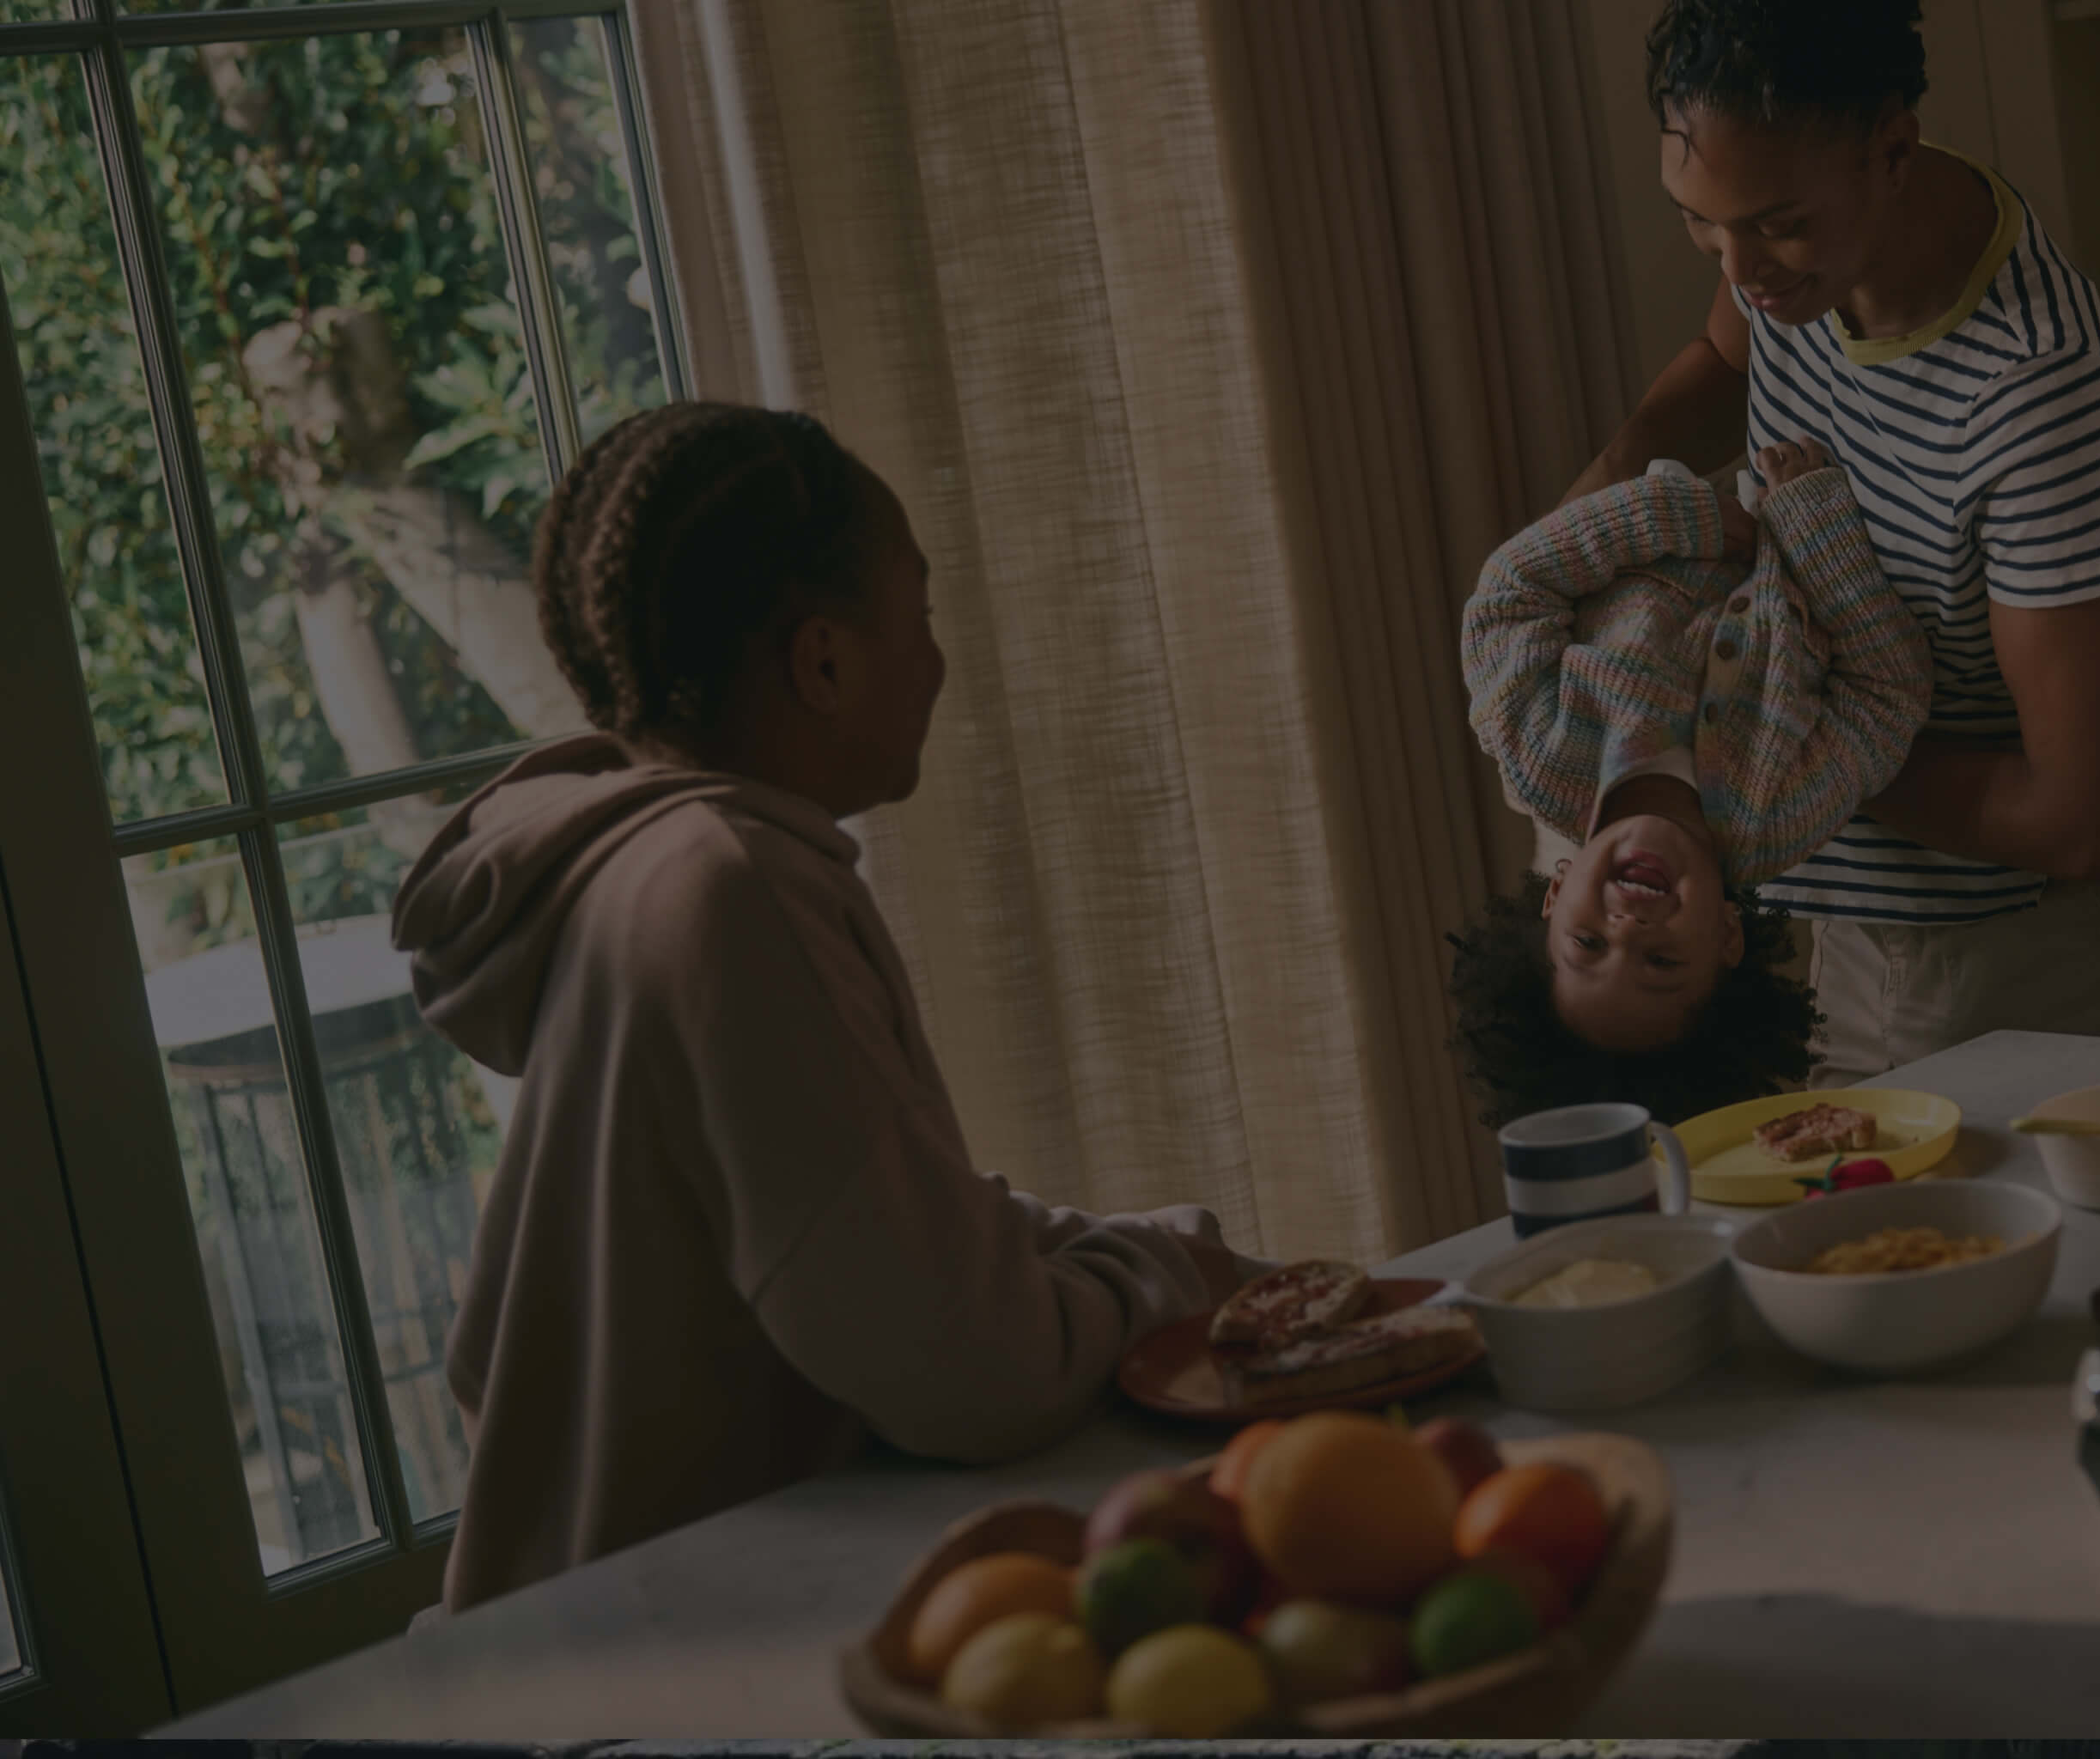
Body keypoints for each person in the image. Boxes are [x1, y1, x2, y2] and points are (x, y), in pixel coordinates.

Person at [392, 402, 1251, 1611]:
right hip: (665, 1668)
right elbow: (968, 1371)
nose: (942, 660)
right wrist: (1166, 1274)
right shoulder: (734, 892)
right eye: (924, 610)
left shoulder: (640, 863)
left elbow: (877, 1234)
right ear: (827, 660)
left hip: (592, 1616)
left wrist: (1151, 1257)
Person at [1560, 0, 2100, 1086]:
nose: (1738, 270)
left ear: (1893, 151)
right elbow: (1726, 358)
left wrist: (1777, 750)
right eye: (1699, 221)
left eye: (1770, 224)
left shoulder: (2035, 394)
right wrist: (1584, 522)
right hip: (1859, 915)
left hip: (2042, 942)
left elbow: (2095, 822)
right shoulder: (1809, 235)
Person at [1449, 436, 1929, 1124]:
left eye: (1590, 944)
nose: (1630, 925)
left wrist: (1682, 517)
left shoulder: (1539, 754)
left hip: (1689, 479)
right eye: (1662, 962)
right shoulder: (1783, 814)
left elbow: (1508, 594)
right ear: (1728, 939)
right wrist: (1812, 528)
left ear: (1555, 893)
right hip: (1829, 485)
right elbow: (1889, 694)